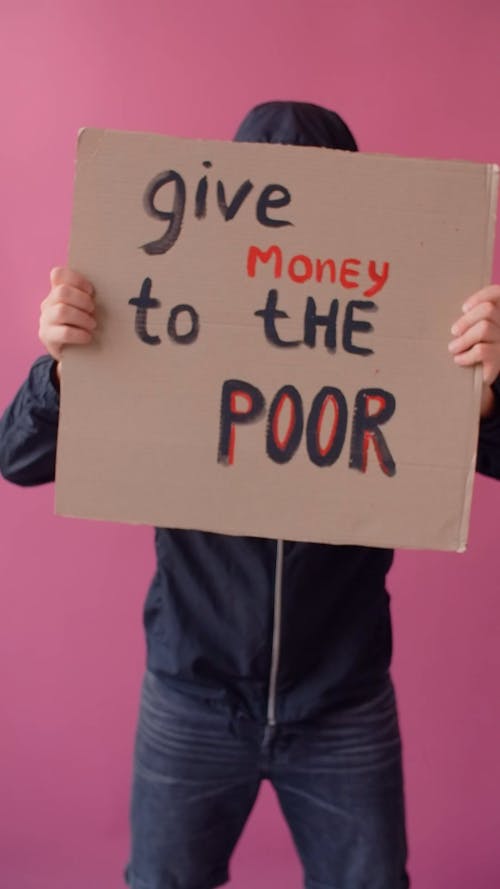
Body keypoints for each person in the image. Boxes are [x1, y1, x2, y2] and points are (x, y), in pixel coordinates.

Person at [1, 101, 500, 889]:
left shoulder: (397, 320)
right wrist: (64, 371)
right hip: (191, 691)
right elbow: (18, 458)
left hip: (342, 697)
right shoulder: (166, 315)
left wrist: (484, 399)